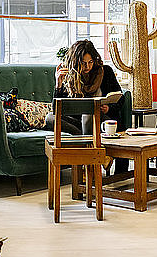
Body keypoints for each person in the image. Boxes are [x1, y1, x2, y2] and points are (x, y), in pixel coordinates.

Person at [45, 40, 129, 174]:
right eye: (83, 63)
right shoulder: (69, 76)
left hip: (102, 120)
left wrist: (108, 108)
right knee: (50, 118)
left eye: (90, 62)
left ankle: (88, 163)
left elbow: (120, 97)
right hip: (79, 123)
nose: (87, 66)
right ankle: (92, 152)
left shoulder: (104, 71)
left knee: (89, 114)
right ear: (75, 62)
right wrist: (58, 84)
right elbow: (57, 110)